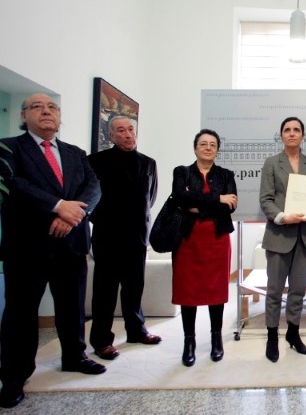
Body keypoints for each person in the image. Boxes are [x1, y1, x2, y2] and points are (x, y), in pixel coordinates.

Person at [0, 94, 105, 409]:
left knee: (72, 306)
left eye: (52, 107)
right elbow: (14, 183)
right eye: (37, 107)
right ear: (24, 115)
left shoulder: (75, 153)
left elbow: (93, 187)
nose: (46, 111)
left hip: (71, 243)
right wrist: (59, 207)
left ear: (59, 118)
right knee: (20, 313)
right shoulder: (9, 148)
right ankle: (15, 376)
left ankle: (74, 356)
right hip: (27, 245)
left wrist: (75, 216)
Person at [88, 116, 162, 361]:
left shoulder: (148, 163)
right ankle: (101, 340)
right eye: (121, 130)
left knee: (134, 287)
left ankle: (136, 330)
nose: (128, 134)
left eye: (131, 129)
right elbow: (90, 198)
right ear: (111, 136)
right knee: (105, 290)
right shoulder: (96, 161)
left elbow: (150, 199)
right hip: (107, 236)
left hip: (137, 236)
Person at [259, 117, 306, 362]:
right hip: (279, 235)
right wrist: (283, 217)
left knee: (298, 290)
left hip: (305, 236)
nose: (292, 133)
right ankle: (272, 336)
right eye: (287, 130)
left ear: (303, 135)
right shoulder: (271, 163)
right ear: (281, 135)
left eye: (297, 130)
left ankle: (293, 335)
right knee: (274, 290)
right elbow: (265, 200)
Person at [171, 129, 237, 367]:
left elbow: (230, 207)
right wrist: (217, 199)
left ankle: (216, 338)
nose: (208, 147)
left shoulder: (226, 174)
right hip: (188, 240)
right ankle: (189, 341)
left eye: (212, 144)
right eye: (203, 143)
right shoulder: (182, 172)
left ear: (217, 149)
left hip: (217, 239)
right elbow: (180, 198)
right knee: (188, 292)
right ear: (195, 148)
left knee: (215, 290)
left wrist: (197, 203)